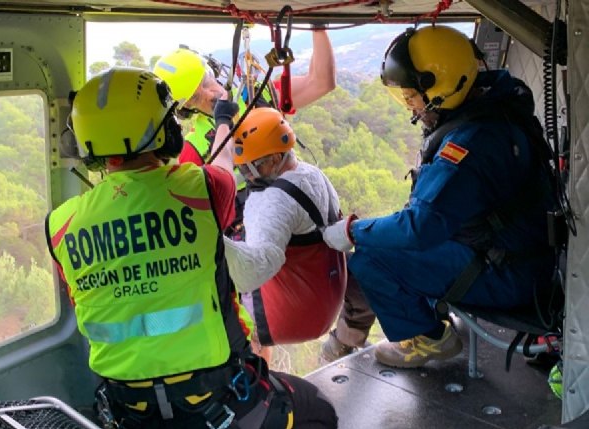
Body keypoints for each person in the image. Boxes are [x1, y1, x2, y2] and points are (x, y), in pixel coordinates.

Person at [46, 67, 338, 428]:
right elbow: (224, 166)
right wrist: (223, 121)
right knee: (319, 410)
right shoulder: (203, 187)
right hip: (218, 399)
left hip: (129, 411)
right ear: (167, 133)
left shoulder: (59, 226)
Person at [322, 25, 557, 369]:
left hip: (509, 274)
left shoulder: (470, 143)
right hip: (521, 259)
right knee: (387, 242)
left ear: (441, 90)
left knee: (369, 259)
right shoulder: (498, 109)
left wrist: (352, 231)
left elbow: (421, 226)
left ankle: (429, 339)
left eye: (412, 96)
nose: (411, 106)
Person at [211, 103, 347, 364]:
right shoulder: (310, 173)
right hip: (325, 296)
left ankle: (249, 372)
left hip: (290, 315)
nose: (248, 176)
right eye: (242, 169)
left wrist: (211, 237)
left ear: (274, 159)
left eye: (251, 168)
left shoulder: (273, 202)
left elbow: (252, 272)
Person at [153, 28, 336, 166]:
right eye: (194, 98)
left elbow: (321, 82)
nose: (209, 95)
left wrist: (317, 25)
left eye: (205, 81)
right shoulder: (195, 149)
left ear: (213, 70)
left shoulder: (259, 94)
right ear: (186, 108)